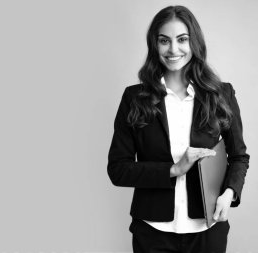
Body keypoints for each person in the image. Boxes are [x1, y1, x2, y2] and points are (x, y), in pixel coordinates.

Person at [107, 5, 250, 253]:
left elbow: (238, 156)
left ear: (194, 42)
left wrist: (229, 193)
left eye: (182, 39)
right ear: (155, 45)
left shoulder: (221, 94)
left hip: (208, 231)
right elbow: (118, 170)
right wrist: (173, 169)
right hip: (152, 232)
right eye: (165, 41)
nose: (173, 49)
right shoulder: (135, 98)